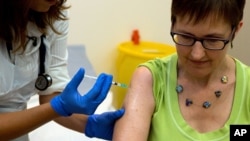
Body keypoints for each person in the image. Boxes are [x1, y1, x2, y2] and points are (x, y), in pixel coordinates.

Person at [113, 0, 249, 141]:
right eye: (186, 36)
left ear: (235, 30)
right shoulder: (150, 79)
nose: (197, 54)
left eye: (212, 40)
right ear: (173, 24)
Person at [0, 0, 124, 141]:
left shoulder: (53, 14)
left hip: (18, 129)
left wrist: (89, 124)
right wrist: (58, 107)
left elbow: (51, 95)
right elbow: (55, 106)